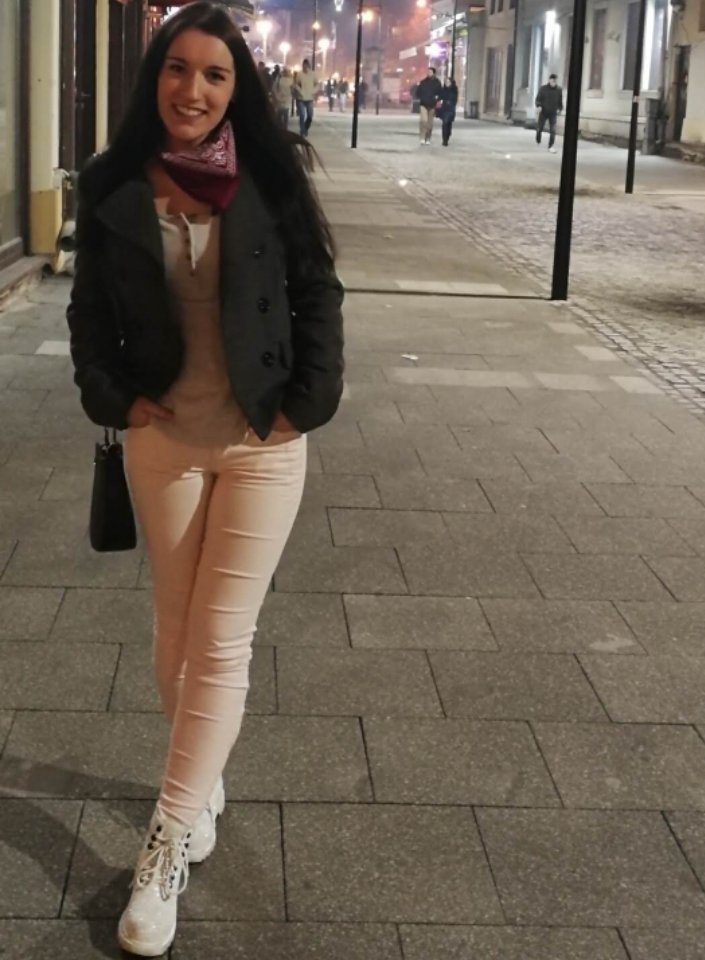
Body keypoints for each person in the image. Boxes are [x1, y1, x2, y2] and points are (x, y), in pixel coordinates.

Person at [66, 4, 344, 955]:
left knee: (221, 644)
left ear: (238, 88)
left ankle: (166, 843)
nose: (193, 90)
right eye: (178, 69)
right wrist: (110, 393)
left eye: (215, 75)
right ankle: (204, 779)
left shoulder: (272, 172)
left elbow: (318, 291)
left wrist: (309, 401)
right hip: (165, 440)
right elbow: (86, 311)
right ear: (156, 77)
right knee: (174, 638)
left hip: (264, 441)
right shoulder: (113, 183)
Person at [535, 73, 563, 153]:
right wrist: (539, 106)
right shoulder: (543, 89)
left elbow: (560, 101)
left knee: (553, 130)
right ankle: (538, 139)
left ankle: (550, 146)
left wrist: (560, 108)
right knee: (540, 128)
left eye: (555, 81)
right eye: (552, 81)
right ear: (550, 80)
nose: (554, 82)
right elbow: (538, 99)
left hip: (553, 112)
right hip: (544, 111)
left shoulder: (559, 90)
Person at [293, 58, 318, 136]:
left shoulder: (313, 74)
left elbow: (317, 84)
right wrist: (299, 90)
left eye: (306, 65)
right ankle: (302, 130)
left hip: (310, 98)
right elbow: (295, 84)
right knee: (302, 115)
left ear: (308, 65)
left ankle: (305, 128)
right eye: (304, 65)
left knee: (310, 115)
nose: (305, 67)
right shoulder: (299, 74)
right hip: (301, 98)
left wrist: (313, 91)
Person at [417, 67, 442, 144]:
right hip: (423, 104)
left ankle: (428, 138)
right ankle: (422, 137)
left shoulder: (437, 83)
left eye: (430, 72)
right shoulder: (423, 82)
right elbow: (418, 92)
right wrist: (420, 97)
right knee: (423, 121)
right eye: (428, 72)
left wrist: (437, 98)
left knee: (430, 124)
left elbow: (440, 93)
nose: (428, 73)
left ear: (434, 73)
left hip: (432, 105)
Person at [437, 76, 458, 147]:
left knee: (448, 123)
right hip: (444, 108)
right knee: (444, 123)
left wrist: (451, 103)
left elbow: (455, 100)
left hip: (451, 109)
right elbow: (440, 97)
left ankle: (448, 134)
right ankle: (444, 140)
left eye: (448, 82)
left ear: (451, 83)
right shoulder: (443, 90)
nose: (447, 83)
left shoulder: (454, 90)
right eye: (446, 82)